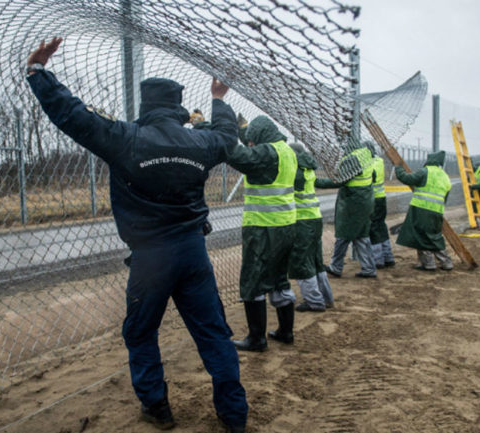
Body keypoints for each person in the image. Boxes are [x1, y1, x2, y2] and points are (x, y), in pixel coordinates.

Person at [25, 38, 247, 432]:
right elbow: (228, 137)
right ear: (178, 107)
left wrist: (39, 74)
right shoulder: (199, 141)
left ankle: (158, 407)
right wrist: (218, 98)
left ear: (144, 106)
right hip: (193, 252)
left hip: (150, 259)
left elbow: (72, 115)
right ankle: (233, 415)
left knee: (141, 331)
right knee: (213, 333)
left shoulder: (125, 138)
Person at [228, 115, 298, 351]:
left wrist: (216, 129)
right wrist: (244, 130)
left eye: (251, 140)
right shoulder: (285, 151)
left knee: (253, 280)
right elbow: (253, 151)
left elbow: (240, 156)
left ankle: (256, 339)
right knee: (279, 279)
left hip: (263, 227)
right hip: (286, 226)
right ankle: (286, 332)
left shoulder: (267, 153)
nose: (250, 144)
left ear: (259, 138)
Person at [316, 142, 377, 278]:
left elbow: (338, 180)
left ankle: (336, 266)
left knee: (344, 235)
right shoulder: (366, 156)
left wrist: (316, 182)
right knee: (361, 235)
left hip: (353, 203)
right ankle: (368, 268)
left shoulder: (353, 159)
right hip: (364, 200)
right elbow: (373, 175)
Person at [287, 143, 335, 312]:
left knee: (301, 261)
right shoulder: (308, 167)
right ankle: (326, 297)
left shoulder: (295, 171)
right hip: (315, 218)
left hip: (302, 221)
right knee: (315, 261)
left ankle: (314, 301)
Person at [395, 151, 454, 271]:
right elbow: (445, 198)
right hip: (437, 212)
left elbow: (407, 178)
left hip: (421, 210)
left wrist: (399, 169)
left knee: (420, 236)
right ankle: (446, 262)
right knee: (434, 237)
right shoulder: (445, 176)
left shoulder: (425, 171)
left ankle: (429, 264)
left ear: (430, 160)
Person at [366, 142, 395, 268]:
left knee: (373, 229)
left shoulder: (368, 164)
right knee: (381, 226)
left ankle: (378, 260)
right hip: (381, 198)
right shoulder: (379, 161)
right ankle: (388, 257)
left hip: (373, 200)